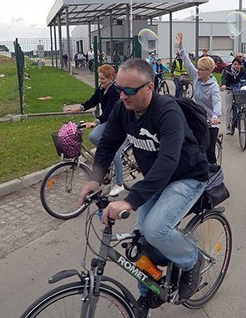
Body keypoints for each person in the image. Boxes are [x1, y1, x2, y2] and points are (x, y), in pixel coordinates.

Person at [77, 58, 208, 317]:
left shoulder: (167, 111)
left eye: (129, 90)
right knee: (139, 240)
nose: (122, 96)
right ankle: (147, 294)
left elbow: (168, 161)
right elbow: (107, 143)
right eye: (118, 88)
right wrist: (94, 178)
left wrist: (130, 200)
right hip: (156, 179)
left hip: (186, 176)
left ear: (150, 87)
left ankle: (192, 259)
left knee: (155, 229)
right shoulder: (122, 109)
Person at [65, 64, 126, 195]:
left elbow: (110, 111)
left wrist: (95, 122)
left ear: (111, 78)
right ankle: (106, 156)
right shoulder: (101, 89)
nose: (101, 81)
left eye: (103, 78)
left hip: (118, 122)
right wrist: (78, 108)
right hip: (108, 121)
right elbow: (92, 101)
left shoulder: (114, 91)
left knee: (114, 153)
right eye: (100, 78)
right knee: (94, 137)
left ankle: (119, 183)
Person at [176, 32, 222, 164]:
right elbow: (187, 61)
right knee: (193, 146)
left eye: (201, 69)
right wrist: (181, 46)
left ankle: (214, 175)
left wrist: (215, 116)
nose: (198, 71)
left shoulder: (213, 86)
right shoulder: (197, 77)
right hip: (198, 118)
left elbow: (217, 102)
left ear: (208, 71)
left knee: (209, 150)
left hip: (210, 121)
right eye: (198, 68)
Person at [220, 58, 246, 135]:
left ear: (241, 65)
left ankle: (241, 126)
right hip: (229, 88)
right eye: (235, 64)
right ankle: (228, 127)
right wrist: (223, 85)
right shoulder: (227, 69)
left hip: (237, 87)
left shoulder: (242, 70)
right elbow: (223, 78)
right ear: (233, 64)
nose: (237, 66)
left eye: (238, 65)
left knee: (241, 106)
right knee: (228, 108)